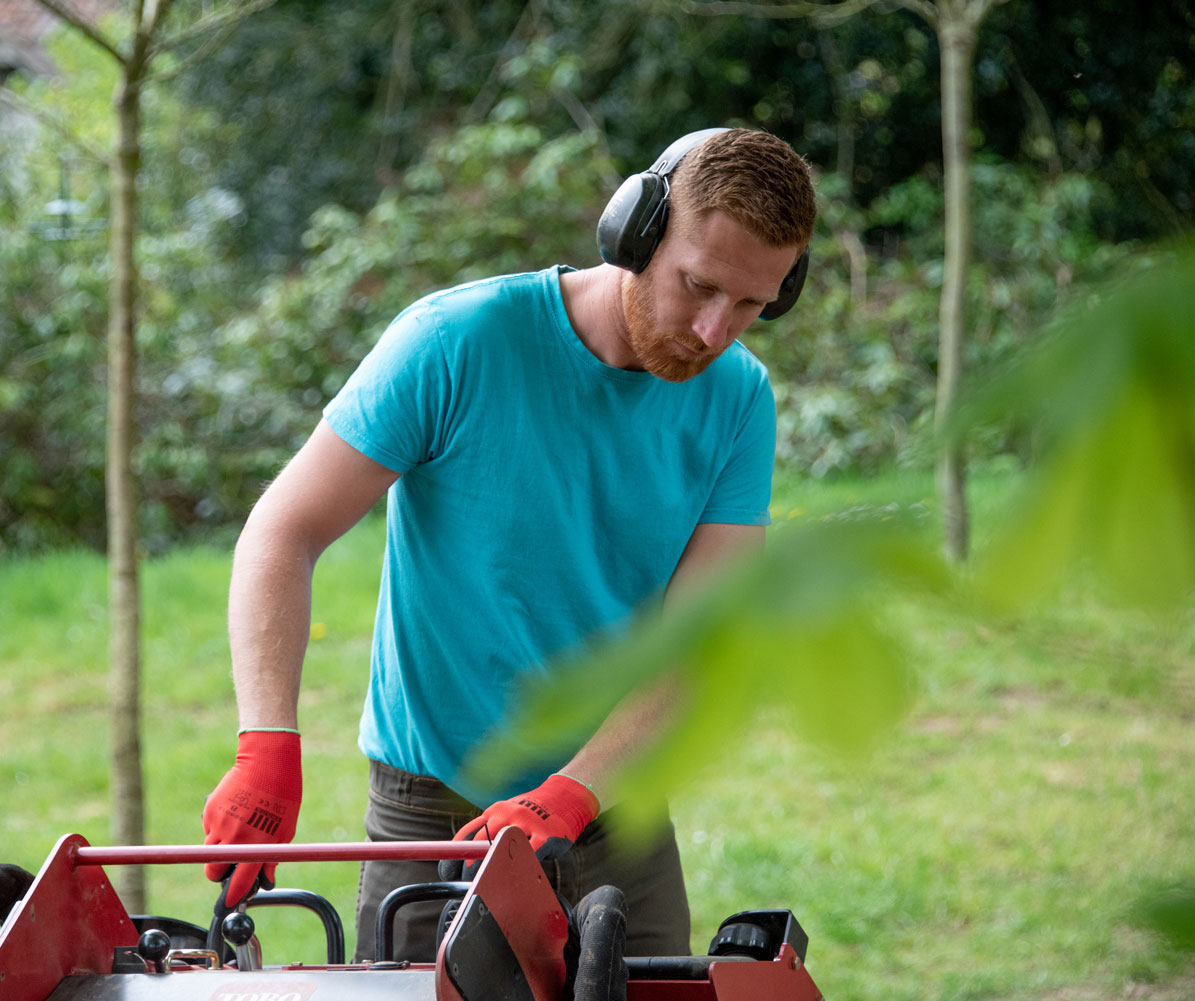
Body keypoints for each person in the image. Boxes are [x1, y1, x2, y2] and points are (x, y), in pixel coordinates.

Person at [200, 126, 817, 962]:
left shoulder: (738, 399)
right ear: (634, 232)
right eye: (698, 285)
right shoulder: (458, 343)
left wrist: (571, 793)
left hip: (613, 806)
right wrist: (266, 742)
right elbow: (285, 528)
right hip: (434, 814)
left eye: (750, 305)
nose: (714, 331)